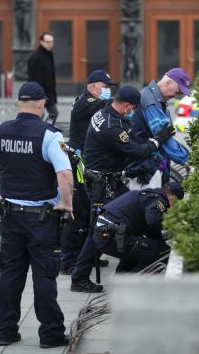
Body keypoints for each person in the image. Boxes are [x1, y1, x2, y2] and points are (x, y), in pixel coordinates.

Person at [70, 85, 176, 293]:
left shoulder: (108, 113)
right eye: (133, 108)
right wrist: (158, 140)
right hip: (103, 185)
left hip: (111, 181)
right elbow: (136, 151)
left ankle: (134, 259)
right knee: (100, 227)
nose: (133, 112)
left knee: (132, 212)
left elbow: (131, 140)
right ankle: (79, 277)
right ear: (127, 105)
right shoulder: (111, 126)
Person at [0, 81, 72, 349]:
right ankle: (50, 334)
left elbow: (2, 162)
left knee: (10, 273)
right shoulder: (50, 135)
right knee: (44, 275)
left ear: (19, 102)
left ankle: (5, 331)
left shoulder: (2, 131)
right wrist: (68, 203)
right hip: (41, 217)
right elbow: (64, 173)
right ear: (41, 104)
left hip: (10, 215)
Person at [60, 70, 116, 275]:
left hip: (88, 160)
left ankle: (87, 256)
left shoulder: (92, 99)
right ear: (92, 86)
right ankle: (68, 261)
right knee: (80, 213)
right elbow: (105, 107)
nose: (107, 90)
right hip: (79, 163)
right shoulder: (86, 102)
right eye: (105, 86)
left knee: (91, 213)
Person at [93, 182, 185, 272]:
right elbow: (153, 221)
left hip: (106, 234)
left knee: (135, 257)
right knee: (162, 253)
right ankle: (134, 285)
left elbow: (151, 230)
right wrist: (173, 225)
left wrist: (162, 243)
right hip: (112, 235)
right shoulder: (158, 200)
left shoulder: (149, 195)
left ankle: (120, 285)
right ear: (173, 198)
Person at [127, 68, 190, 189]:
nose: (176, 97)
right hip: (145, 168)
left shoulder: (154, 97)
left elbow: (167, 134)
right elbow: (164, 138)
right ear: (168, 83)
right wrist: (186, 159)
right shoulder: (152, 102)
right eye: (177, 92)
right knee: (150, 205)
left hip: (148, 164)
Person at [27, 32, 58, 124]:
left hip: (48, 94)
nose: (50, 44)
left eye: (52, 42)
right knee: (46, 114)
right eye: (47, 42)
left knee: (51, 114)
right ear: (41, 42)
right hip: (40, 94)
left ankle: (43, 130)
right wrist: (40, 96)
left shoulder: (48, 54)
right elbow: (35, 79)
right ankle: (40, 132)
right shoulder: (37, 57)